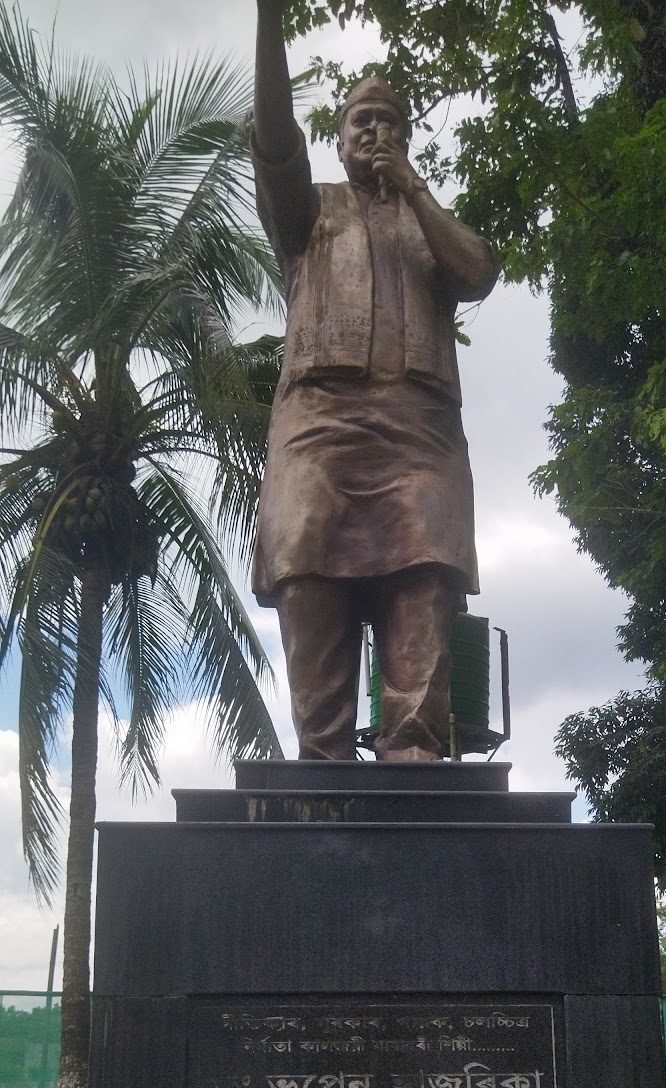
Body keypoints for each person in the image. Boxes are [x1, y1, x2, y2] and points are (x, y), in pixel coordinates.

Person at [252, 0, 500, 760]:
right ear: (339, 135)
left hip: (418, 436)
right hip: (320, 430)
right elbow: (274, 141)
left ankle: (415, 753)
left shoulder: (430, 230)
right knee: (311, 582)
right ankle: (322, 765)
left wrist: (418, 192)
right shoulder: (309, 215)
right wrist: (270, 20)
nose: (377, 133)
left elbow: (480, 272)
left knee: (424, 582)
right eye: (363, 121)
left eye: (390, 123)